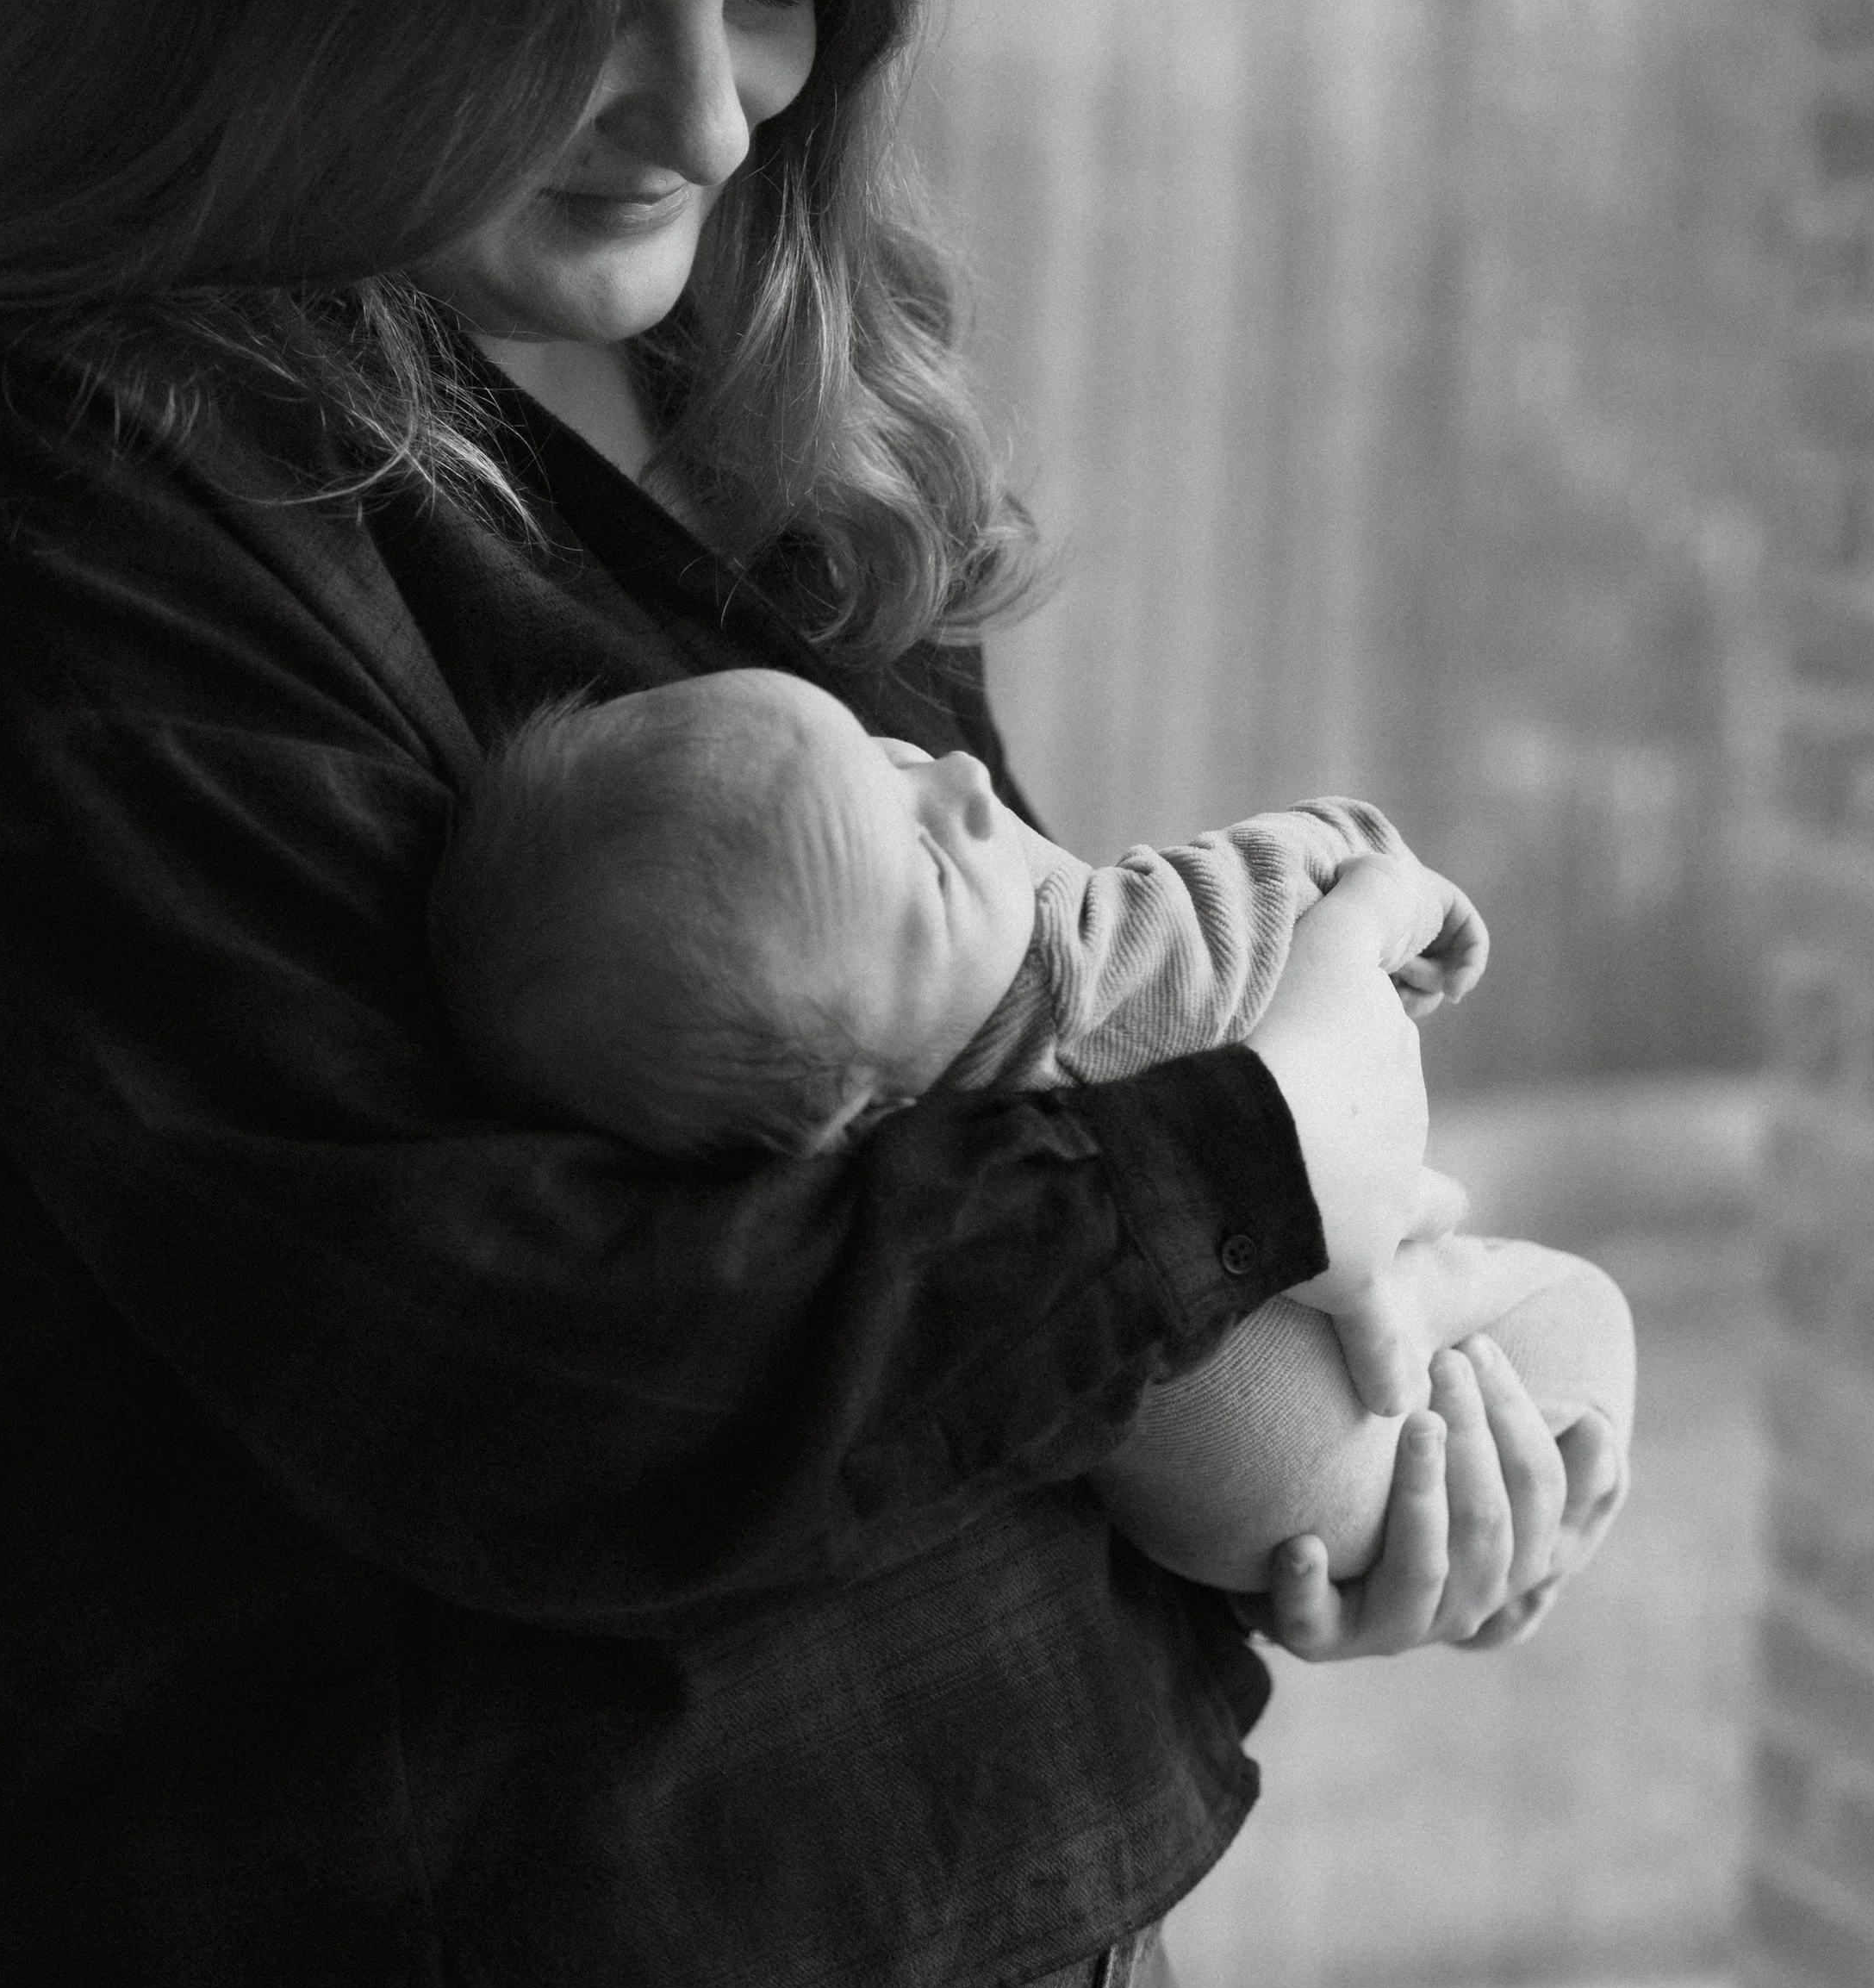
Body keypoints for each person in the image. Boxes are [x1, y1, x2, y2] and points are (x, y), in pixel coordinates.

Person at [0, 0, 1626, 1988]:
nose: (714, 123)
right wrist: (1271, 1146)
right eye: (580, 4)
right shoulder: (93, 508)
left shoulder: (747, 411)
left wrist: (1299, 1482)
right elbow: (536, 1370)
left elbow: (943, 1144)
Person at [426, 664, 1634, 1589]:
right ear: (858, 1105)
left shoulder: (898, 1169)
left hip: (1228, 1534)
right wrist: (1381, 883)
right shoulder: (1084, 985)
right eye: (930, 862)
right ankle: (1436, 1349)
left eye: (883, 753)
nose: (955, 782)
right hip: (1355, 1452)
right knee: (1586, 1316)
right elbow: (1265, 891)